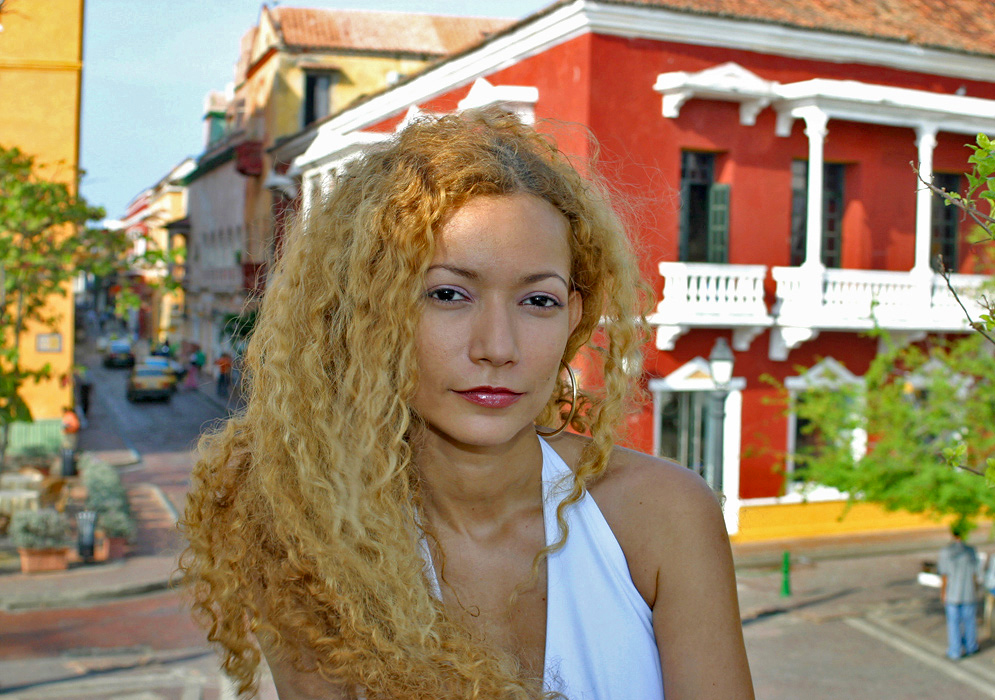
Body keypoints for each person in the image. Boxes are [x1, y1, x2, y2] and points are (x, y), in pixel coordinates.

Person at [180, 109, 754, 699]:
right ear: (369, 311)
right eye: (448, 294)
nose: (498, 347)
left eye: (538, 300)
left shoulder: (664, 517)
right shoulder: (313, 547)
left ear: (574, 319)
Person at [938, 520, 980, 660]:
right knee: (969, 621)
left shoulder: (946, 552)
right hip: (968, 592)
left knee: (953, 623)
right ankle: (971, 646)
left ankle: (955, 651)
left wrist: (943, 592)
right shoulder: (971, 550)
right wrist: (975, 589)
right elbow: (975, 573)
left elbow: (944, 575)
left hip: (952, 593)